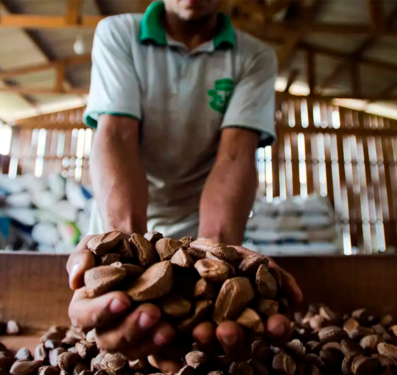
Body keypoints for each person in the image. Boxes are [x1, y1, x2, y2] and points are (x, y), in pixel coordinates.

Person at [66, 0, 303, 371]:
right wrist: (128, 260)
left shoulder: (253, 56)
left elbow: (235, 157)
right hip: (122, 221)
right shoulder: (120, 34)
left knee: (205, 346)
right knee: (117, 337)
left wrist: (217, 262)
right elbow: (117, 138)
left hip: (203, 225)